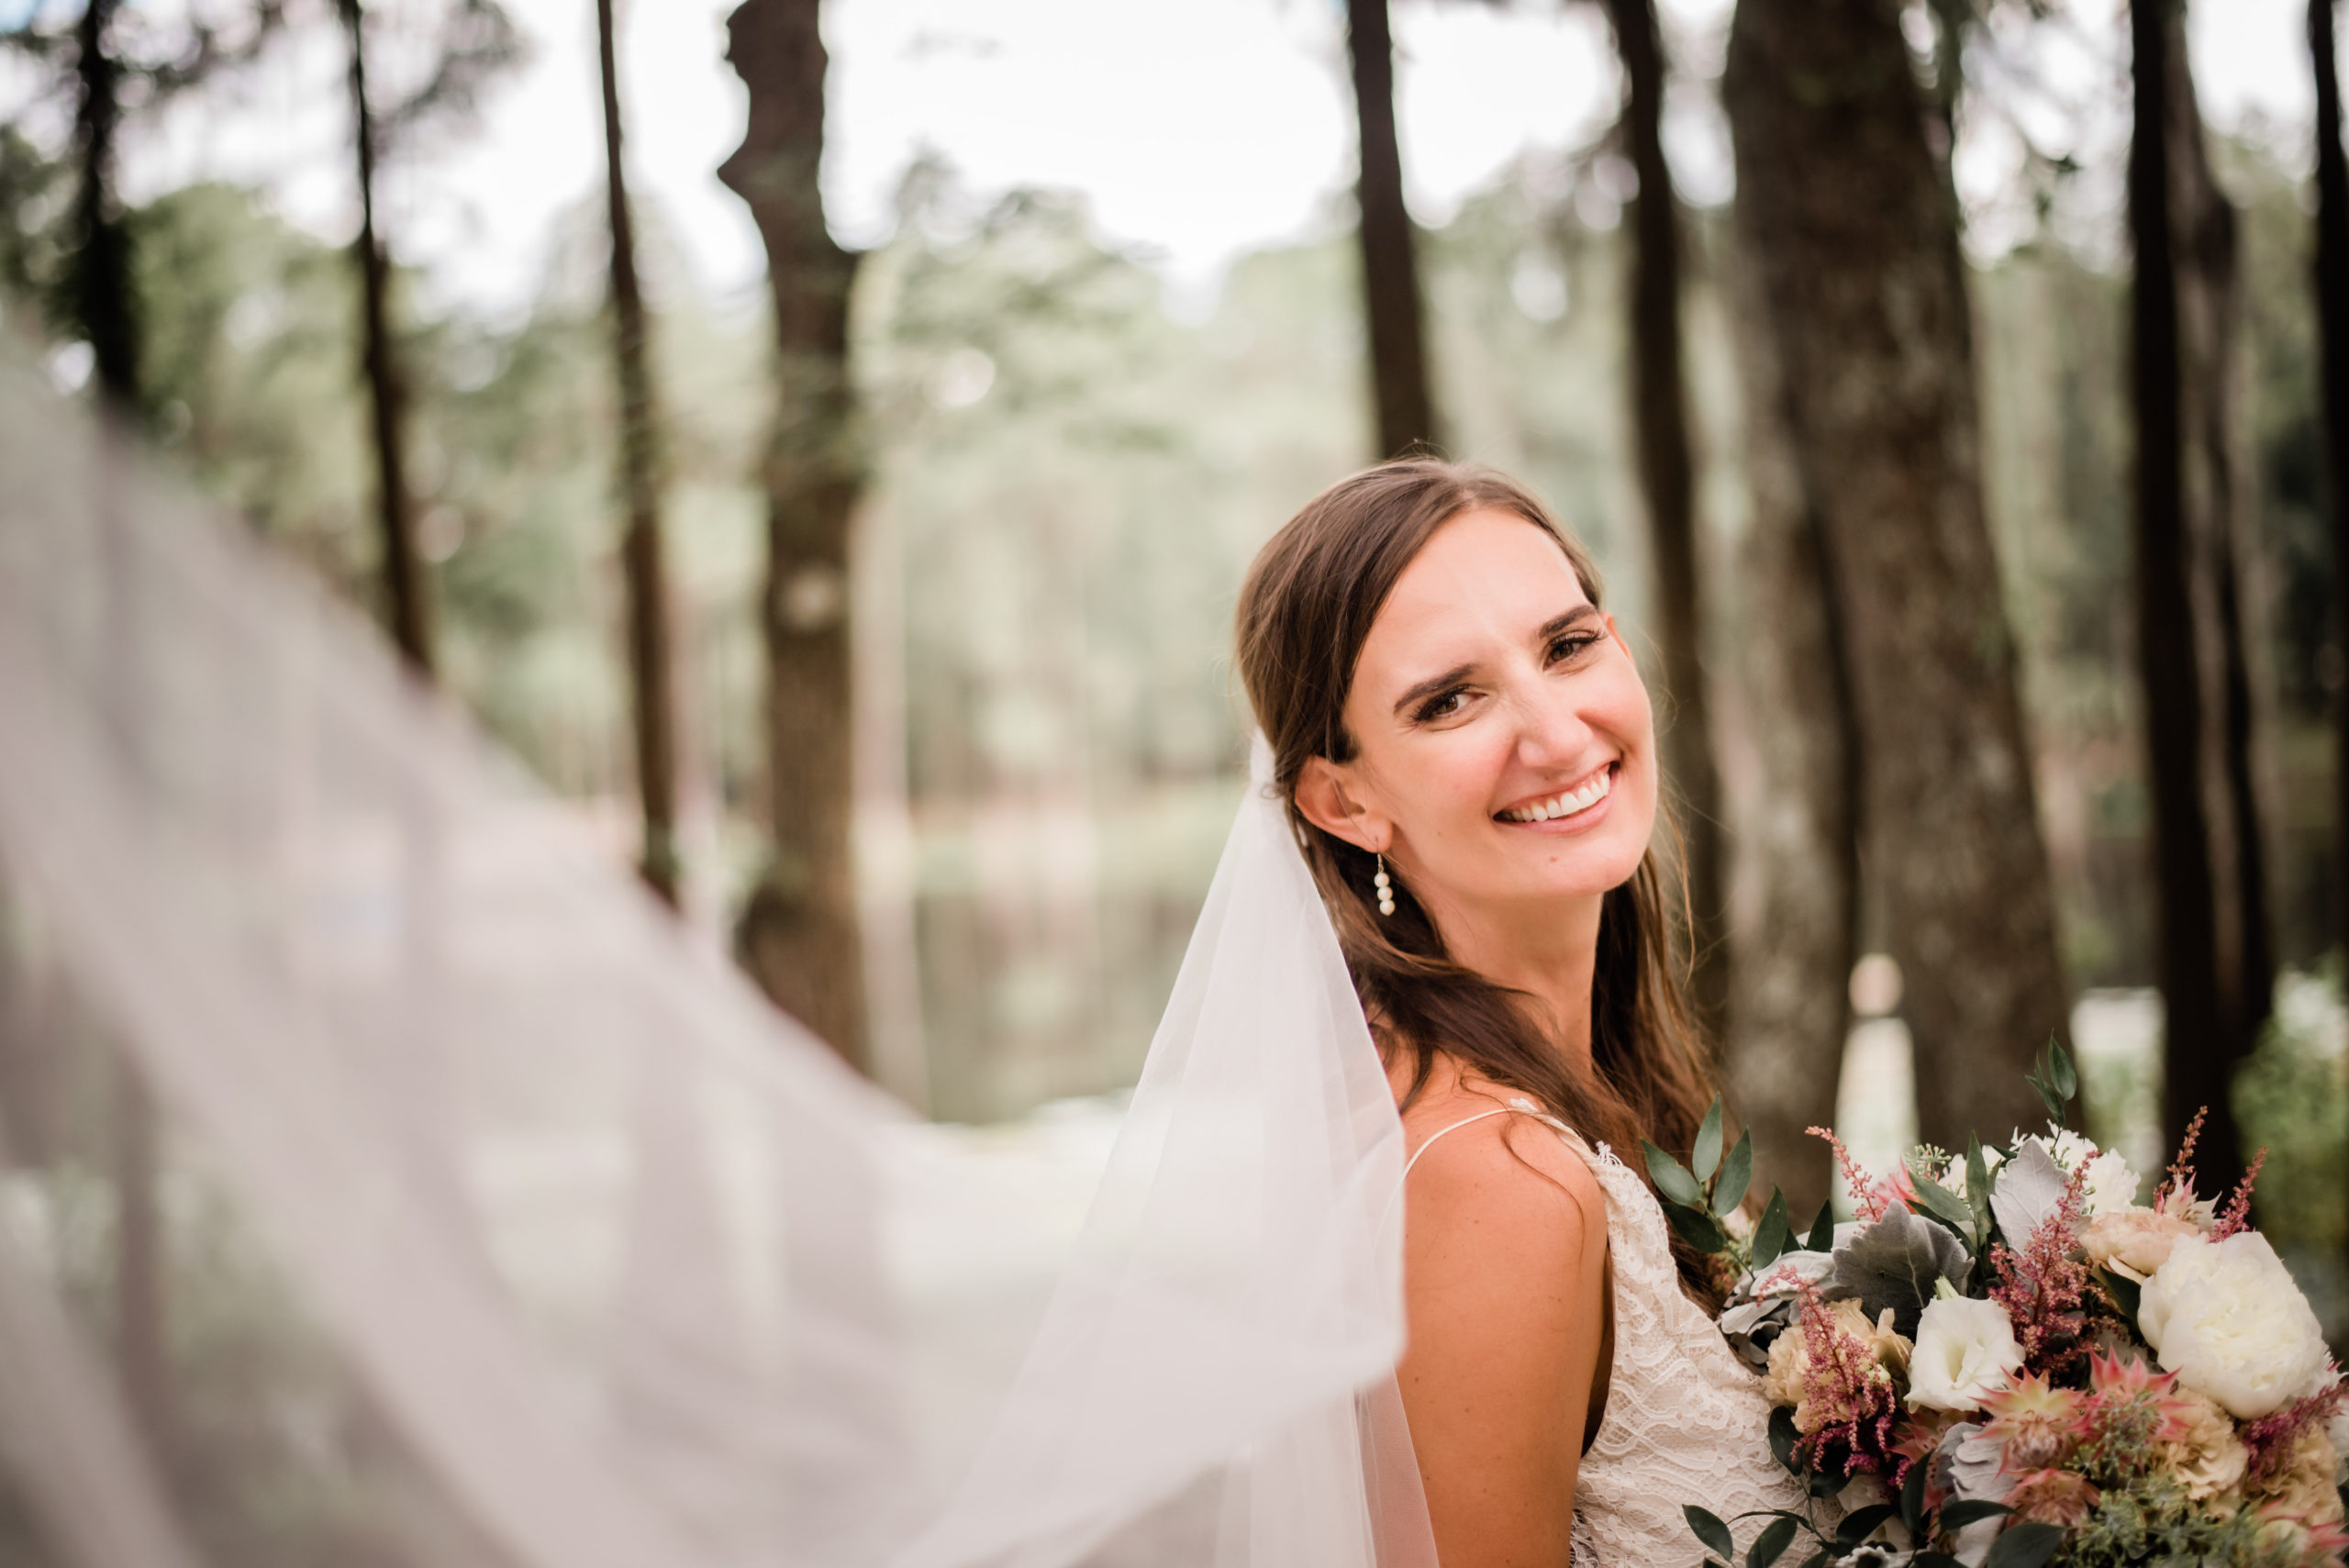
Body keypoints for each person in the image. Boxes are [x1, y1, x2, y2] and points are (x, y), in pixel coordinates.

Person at [1230, 459, 1811, 1566]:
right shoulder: (1494, 1178)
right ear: (1343, 800)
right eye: (1450, 699)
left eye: (1566, 644)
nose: (1554, 732)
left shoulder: (1579, 1084)